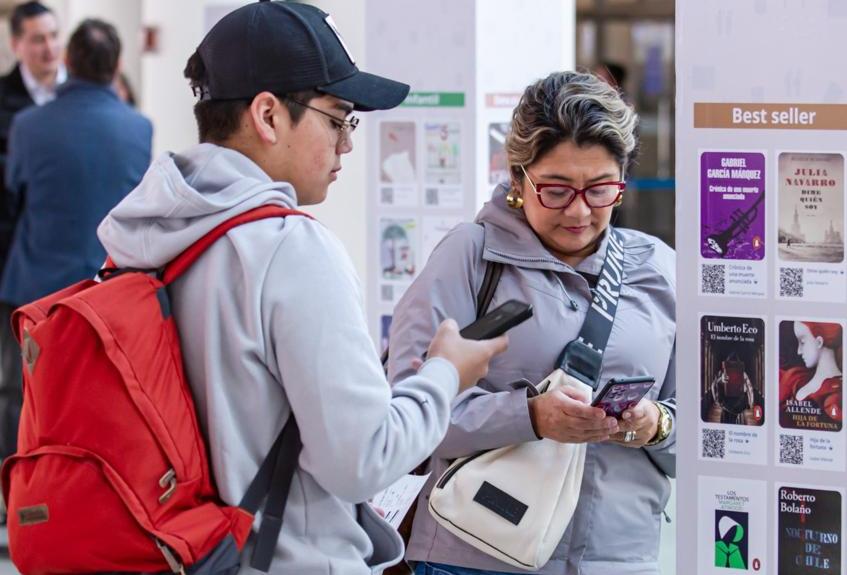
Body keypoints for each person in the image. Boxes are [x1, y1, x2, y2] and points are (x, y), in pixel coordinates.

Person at [96, 2, 507, 573]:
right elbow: (362, 459)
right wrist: (446, 373)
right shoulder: (290, 249)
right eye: (338, 119)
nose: (347, 146)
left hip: (180, 552)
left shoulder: (144, 239)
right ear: (267, 115)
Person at [387, 71, 677, 575]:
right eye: (557, 190)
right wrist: (532, 417)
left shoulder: (659, 269)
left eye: (600, 189)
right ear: (518, 180)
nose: (580, 211)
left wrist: (655, 426)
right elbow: (406, 414)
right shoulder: (472, 258)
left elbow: (713, 425)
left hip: (619, 558)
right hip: (475, 555)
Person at [0, 0, 63, 465]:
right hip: (14, 265)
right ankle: (13, 482)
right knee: (13, 382)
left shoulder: (84, 95)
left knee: (64, 383)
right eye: (38, 39)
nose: (49, 48)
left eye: (54, 37)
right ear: (16, 44)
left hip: (70, 264)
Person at [779, 321, 843, 428]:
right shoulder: (796, 378)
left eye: (802, 342)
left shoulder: (837, 394)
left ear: (819, 342)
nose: (799, 351)